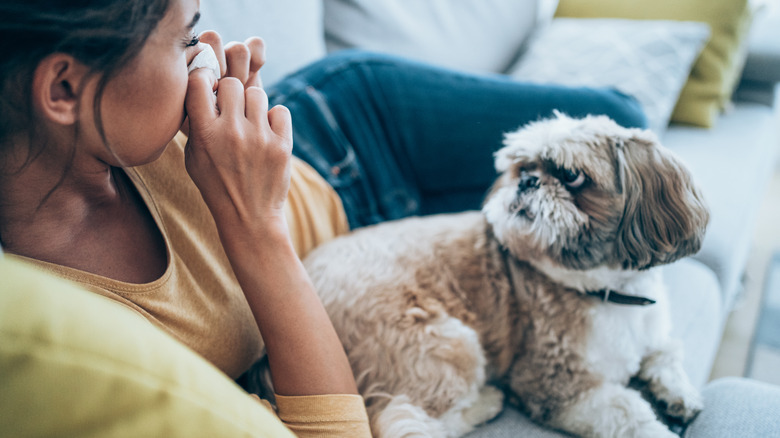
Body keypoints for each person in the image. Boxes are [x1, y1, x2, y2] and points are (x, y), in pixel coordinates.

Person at [0, 0, 645, 436]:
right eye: (186, 39)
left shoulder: (121, 137)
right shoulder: (69, 323)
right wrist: (255, 226)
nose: (207, 57)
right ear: (62, 91)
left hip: (352, 124)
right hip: (370, 257)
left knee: (626, 127)